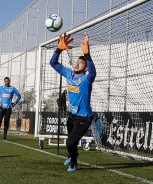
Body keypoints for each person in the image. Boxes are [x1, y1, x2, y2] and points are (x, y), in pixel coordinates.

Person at [49, 33, 96, 172]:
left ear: (85, 68)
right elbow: (53, 63)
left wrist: (87, 55)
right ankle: (72, 155)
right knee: (72, 141)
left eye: (81, 63)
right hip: (72, 116)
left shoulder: (87, 80)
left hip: (84, 117)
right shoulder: (69, 74)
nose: (77, 63)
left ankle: (74, 162)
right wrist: (59, 49)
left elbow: (93, 73)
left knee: (70, 142)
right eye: (77, 61)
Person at [0, 77, 21, 141]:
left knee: (6, 122)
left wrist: (14, 103)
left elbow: (19, 96)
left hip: (8, 108)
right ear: (4, 81)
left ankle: (4, 137)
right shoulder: (1, 88)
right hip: (1, 107)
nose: (7, 82)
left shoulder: (12, 88)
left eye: (8, 81)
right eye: (5, 81)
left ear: (9, 81)